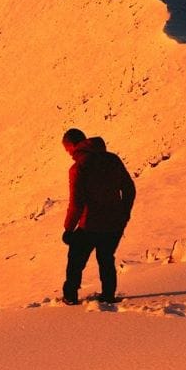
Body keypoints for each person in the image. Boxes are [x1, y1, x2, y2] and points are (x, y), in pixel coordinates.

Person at [59, 127, 136, 305]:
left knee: (76, 260)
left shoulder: (79, 167)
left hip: (90, 224)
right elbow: (129, 189)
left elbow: (76, 203)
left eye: (67, 150)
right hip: (114, 223)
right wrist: (124, 214)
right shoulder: (112, 159)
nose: (68, 154)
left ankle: (70, 296)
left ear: (71, 145)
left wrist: (68, 229)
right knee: (106, 259)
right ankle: (108, 296)